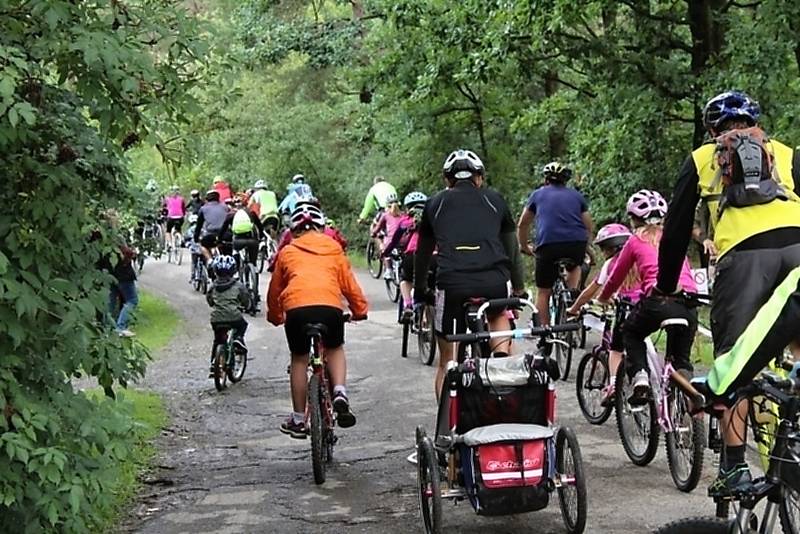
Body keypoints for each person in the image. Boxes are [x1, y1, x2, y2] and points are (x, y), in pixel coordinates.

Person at [654, 90, 800, 495]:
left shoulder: (703, 158)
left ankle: (734, 466)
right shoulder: (786, 153)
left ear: (713, 129)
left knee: (733, 358)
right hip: (799, 251)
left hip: (746, 259)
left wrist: (666, 286)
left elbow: (676, 230)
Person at [414, 149, 525, 399]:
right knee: (497, 311)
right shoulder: (495, 200)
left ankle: (446, 427)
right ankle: (499, 356)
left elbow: (423, 254)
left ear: (448, 180)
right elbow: (512, 251)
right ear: (479, 177)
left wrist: (421, 289)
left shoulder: (435, 203)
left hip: (453, 284)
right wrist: (518, 289)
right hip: (494, 281)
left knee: (446, 363)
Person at [267, 203, 368, 438]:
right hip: (329, 308)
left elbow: (275, 290)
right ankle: (340, 392)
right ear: (321, 228)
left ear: (294, 231)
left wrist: (275, 316)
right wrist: (360, 310)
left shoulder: (287, 252)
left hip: (297, 310)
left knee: (300, 359)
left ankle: (299, 419)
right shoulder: (333, 248)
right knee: (334, 347)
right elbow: (349, 285)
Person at [598, 190, 698, 406]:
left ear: (633, 219)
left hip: (657, 301)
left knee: (630, 332)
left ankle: (640, 377)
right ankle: (691, 399)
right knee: (681, 359)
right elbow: (687, 273)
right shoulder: (675, 237)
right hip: (688, 302)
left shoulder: (634, 242)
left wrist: (602, 298)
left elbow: (615, 278)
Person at [517, 161, 594, 330]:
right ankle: (572, 301)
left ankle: (545, 332)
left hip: (548, 245)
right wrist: (586, 246)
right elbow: (588, 225)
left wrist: (524, 246)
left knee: (544, 291)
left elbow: (523, 224)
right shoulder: (576, 196)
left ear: (546, 180)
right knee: (574, 267)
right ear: (565, 181)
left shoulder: (537, 195)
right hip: (576, 244)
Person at [567, 223, 635, 405]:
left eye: (603, 248)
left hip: (625, 311)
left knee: (615, 349)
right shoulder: (639, 258)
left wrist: (574, 308)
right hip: (647, 307)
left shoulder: (611, 264)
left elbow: (591, 290)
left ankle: (613, 385)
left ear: (610, 248)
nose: (603, 252)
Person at [382, 191, 428, 319]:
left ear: (408, 207)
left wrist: (386, 252)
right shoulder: (434, 219)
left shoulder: (406, 221)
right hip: (434, 256)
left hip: (412, 255)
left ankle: (408, 305)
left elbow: (394, 241)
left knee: (405, 279)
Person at [206, 255, 249, 377]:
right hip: (234, 317)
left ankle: (214, 363)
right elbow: (245, 299)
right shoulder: (238, 285)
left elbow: (210, 301)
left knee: (218, 340)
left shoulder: (213, 286)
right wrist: (246, 305)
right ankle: (238, 339)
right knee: (242, 325)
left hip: (216, 319)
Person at [372, 192, 404, 280]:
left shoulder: (385, 215)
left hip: (391, 240)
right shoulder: (404, 214)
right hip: (403, 240)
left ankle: (388, 270)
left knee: (385, 251)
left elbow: (378, 227)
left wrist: (373, 233)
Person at [193, 190, 228, 264]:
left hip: (211, 234)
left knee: (203, 246)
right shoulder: (225, 207)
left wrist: (196, 238)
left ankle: (210, 260)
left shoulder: (203, 209)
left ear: (207, 199)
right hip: (225, 234)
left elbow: (198, 226)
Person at [163, 185, 186, 250]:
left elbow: (165, 208)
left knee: (168, 231)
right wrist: (183, 214)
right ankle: (181, 238)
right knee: (179, 228)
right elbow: (183, 209)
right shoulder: (182, 199)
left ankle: (170, 244)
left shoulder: (167, 199)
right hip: (180, 217)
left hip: (171, 217)